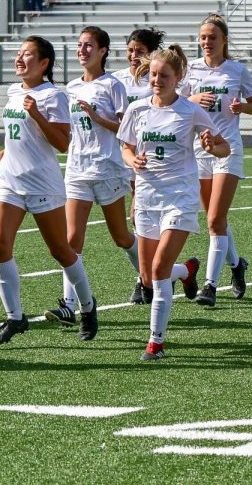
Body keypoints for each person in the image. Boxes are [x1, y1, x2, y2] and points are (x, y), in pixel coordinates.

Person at [119, 46, 230, 360]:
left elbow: (223, 148)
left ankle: (156, 342)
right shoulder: (137, 110)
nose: (157, 80)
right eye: (153, 74)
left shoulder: (190, 110)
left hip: (179, 197)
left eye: (164, 75)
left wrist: (212, 145)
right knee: (146, 276)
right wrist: (133, 160)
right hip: (146, 198)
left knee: (157, 269)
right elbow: (126, 148)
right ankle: (185, 271)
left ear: (178, 77)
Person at [0, 36, 98, 344]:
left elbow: (64, 144)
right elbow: (16, 134)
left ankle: (88, 308)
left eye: (27, 55)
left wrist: (37, 114)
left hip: (42, 184)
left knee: (60, 251)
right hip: (10, 182)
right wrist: (6, 152)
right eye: (19, 54)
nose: (19, 59)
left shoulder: (53, 95)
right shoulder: (14, 91)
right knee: (0, 247)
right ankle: (14, 318)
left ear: (44, 63)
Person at [43, 27, 141, 328]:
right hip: (77, 170)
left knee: (121, 237)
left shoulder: (112, 86)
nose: (82, 50)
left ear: (103, 52)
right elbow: (65, 130)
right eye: (80, 45)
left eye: (89, 46)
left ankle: (147, 277)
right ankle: (69, 305)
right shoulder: (70, 87)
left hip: (108, 168)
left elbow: (127, 130)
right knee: (71, 240)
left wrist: (97, 117)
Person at [183, 14, 252, 306]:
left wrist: (243, 105)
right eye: (203, 37)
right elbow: (175, 103)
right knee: (215, 219)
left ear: (224, 40)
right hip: (200, 148)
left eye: (212, 37)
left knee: (215, 219)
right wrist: (193, 100)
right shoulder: (191, 69)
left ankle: (210, 286)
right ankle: (237, 265)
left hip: (228, 148)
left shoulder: (237, 70)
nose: (206, 42)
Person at [112, 27, 163, 304]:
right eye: (130, 50)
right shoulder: (117, 79)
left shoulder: (157, 81)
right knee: (128, 228)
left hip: (150, 161)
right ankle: (147, 278)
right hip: (120, 157)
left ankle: (147, 280)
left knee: (141, 222)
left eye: (140, 51)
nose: (133, 56)